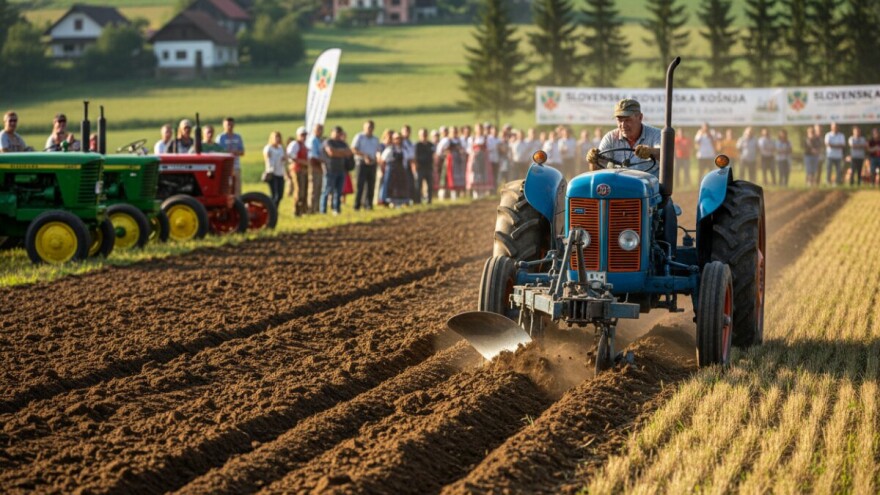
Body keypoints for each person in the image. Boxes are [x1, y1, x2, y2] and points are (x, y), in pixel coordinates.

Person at [587, 99, 661, 174]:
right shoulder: (610, 138)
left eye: (628, 120)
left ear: (640, 118)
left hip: (647, 184)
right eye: (619, 120)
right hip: (618, 184)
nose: (623, 125)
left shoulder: (656, 134)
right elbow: (596, 171)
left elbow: (665, 155)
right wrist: (594, 160)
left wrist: (651, 151)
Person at [320, 126, 352, 215]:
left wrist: (337, 152)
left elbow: (349, 152)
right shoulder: (328, 142)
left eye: (339, 133)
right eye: (336, 132)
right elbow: (331, 152)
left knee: (338, 191)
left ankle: (336, 209)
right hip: (330, 170)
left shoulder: (342, 143)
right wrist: (342, 153)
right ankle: (323, 210)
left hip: (341, 170)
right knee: (327, 190)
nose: (338, 135)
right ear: (332, 132)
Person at [351, 120, 380, 210]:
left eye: (371, 127)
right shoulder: (359, 137)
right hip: (361, 163)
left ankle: (368, 205)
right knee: (360, 185)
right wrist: (364, 156)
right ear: (364, 127)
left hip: (372, 163)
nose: (369, 129)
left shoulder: (375, 139)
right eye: (368, 127)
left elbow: (377, 150)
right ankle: (357, 205)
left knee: (371, 185)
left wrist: (376, 158)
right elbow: (353, 149)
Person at [381, 132, 411, 207]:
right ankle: (390, 201)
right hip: (392, 171)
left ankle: (401, 201)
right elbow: (383, 160)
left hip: (401, 171)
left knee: (401, 186)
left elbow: (407, 159)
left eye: (399, 138)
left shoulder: (403, 149)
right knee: (391, 186)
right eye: (396, 139)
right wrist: (383, 170)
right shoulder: (390, 149)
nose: (398, 140)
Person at [217, 117, 245, 195]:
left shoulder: (237, 137)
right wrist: (229, 152)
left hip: (236, 165)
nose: (230, 126)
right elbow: (218, 151)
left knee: (237, 188)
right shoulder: (220, 138)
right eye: (228, 124)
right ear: (223, 125)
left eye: (231, 124)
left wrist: (235, 152)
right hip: (225, 166)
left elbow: (242, 151)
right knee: (226, 187)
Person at [466, 123, 494, 199]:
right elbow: (468, 149)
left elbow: (490, 148)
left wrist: (483, 151)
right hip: (474, 159)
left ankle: (482, 194)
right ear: (475, 129)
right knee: (474, 175)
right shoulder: (472, 138)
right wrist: (474, 152)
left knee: (483, 174)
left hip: (483, 159)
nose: (479, 130)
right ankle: (475, 194)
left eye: (481, 128)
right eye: (478, 128)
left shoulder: (486, 138)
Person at [286, 127, 310, 216]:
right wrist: (302, 162)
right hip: (297, 169)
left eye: (305, 135)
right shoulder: (295, 144)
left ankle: (303, 210)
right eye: (302, 135)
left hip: (304, 170)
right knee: (299, 190)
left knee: (304, 190)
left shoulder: (304, 146)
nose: (304, 137)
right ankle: (296, 210)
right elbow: (291, 157)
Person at [263, 131, 288, 208]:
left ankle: (274, 209)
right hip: (272, 173)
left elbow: (285, 158)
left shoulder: (281, 148)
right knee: (275, 195)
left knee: (280, 195)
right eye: (275, 137)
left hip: (280, 172)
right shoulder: (268, 148)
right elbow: (267, 157)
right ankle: (271, 209)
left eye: (279, 137)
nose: (277, 139)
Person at [414, 128, 435, 204]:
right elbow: (415, 156)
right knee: (418, 185)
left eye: (425, 134)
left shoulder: (431, 145)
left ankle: (429, 200)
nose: (424, 136)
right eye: (422, 134)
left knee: (429, 185)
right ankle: (418, 201)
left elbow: (434, 155)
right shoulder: (417, 145)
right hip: (420, 167)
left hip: (429, 167)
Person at [307, 123, 325, 213]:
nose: (320, 131)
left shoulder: (320, 140)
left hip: (319, 166)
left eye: (321, 129)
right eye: (318, 129)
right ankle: (311, 209)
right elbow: (313, 156)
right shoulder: (313, 140)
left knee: (319, 188)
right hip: (314, 166)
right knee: (313, 189)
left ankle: (316, 208)